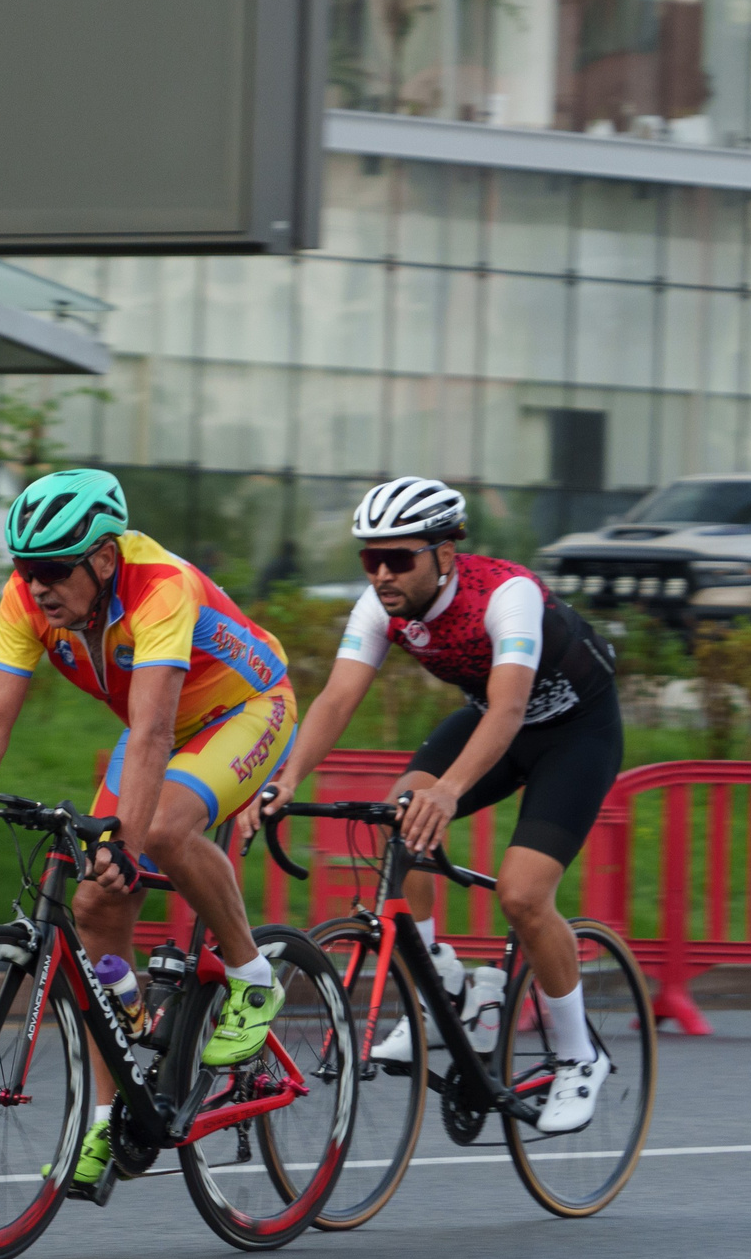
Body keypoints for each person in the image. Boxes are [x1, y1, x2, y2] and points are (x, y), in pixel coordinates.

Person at [0, 468, 299, 1189]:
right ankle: (109, 1119)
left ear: (104, 558)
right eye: (25, 569)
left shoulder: (161, 585)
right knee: (93, 902)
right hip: (159, 728)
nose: (38, 586)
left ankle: (252, 975)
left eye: (53, 570)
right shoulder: (26, 600)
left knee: (164, 831)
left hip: (244, 709)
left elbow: (151, 732)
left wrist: (125, 838)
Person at [236, 477, 621, 1134]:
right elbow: (335, 699)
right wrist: (286, 777)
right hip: (492, 723)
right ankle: (451, 987)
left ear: (445, 554)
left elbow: (507, 709)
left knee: (525, 894)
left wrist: (448, 789)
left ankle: (579, 1056)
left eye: (398, 558)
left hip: (573, 734)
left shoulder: (508, 595)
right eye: (369, 558)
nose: (382, 572)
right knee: (400, 820)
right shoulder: (379, 605)